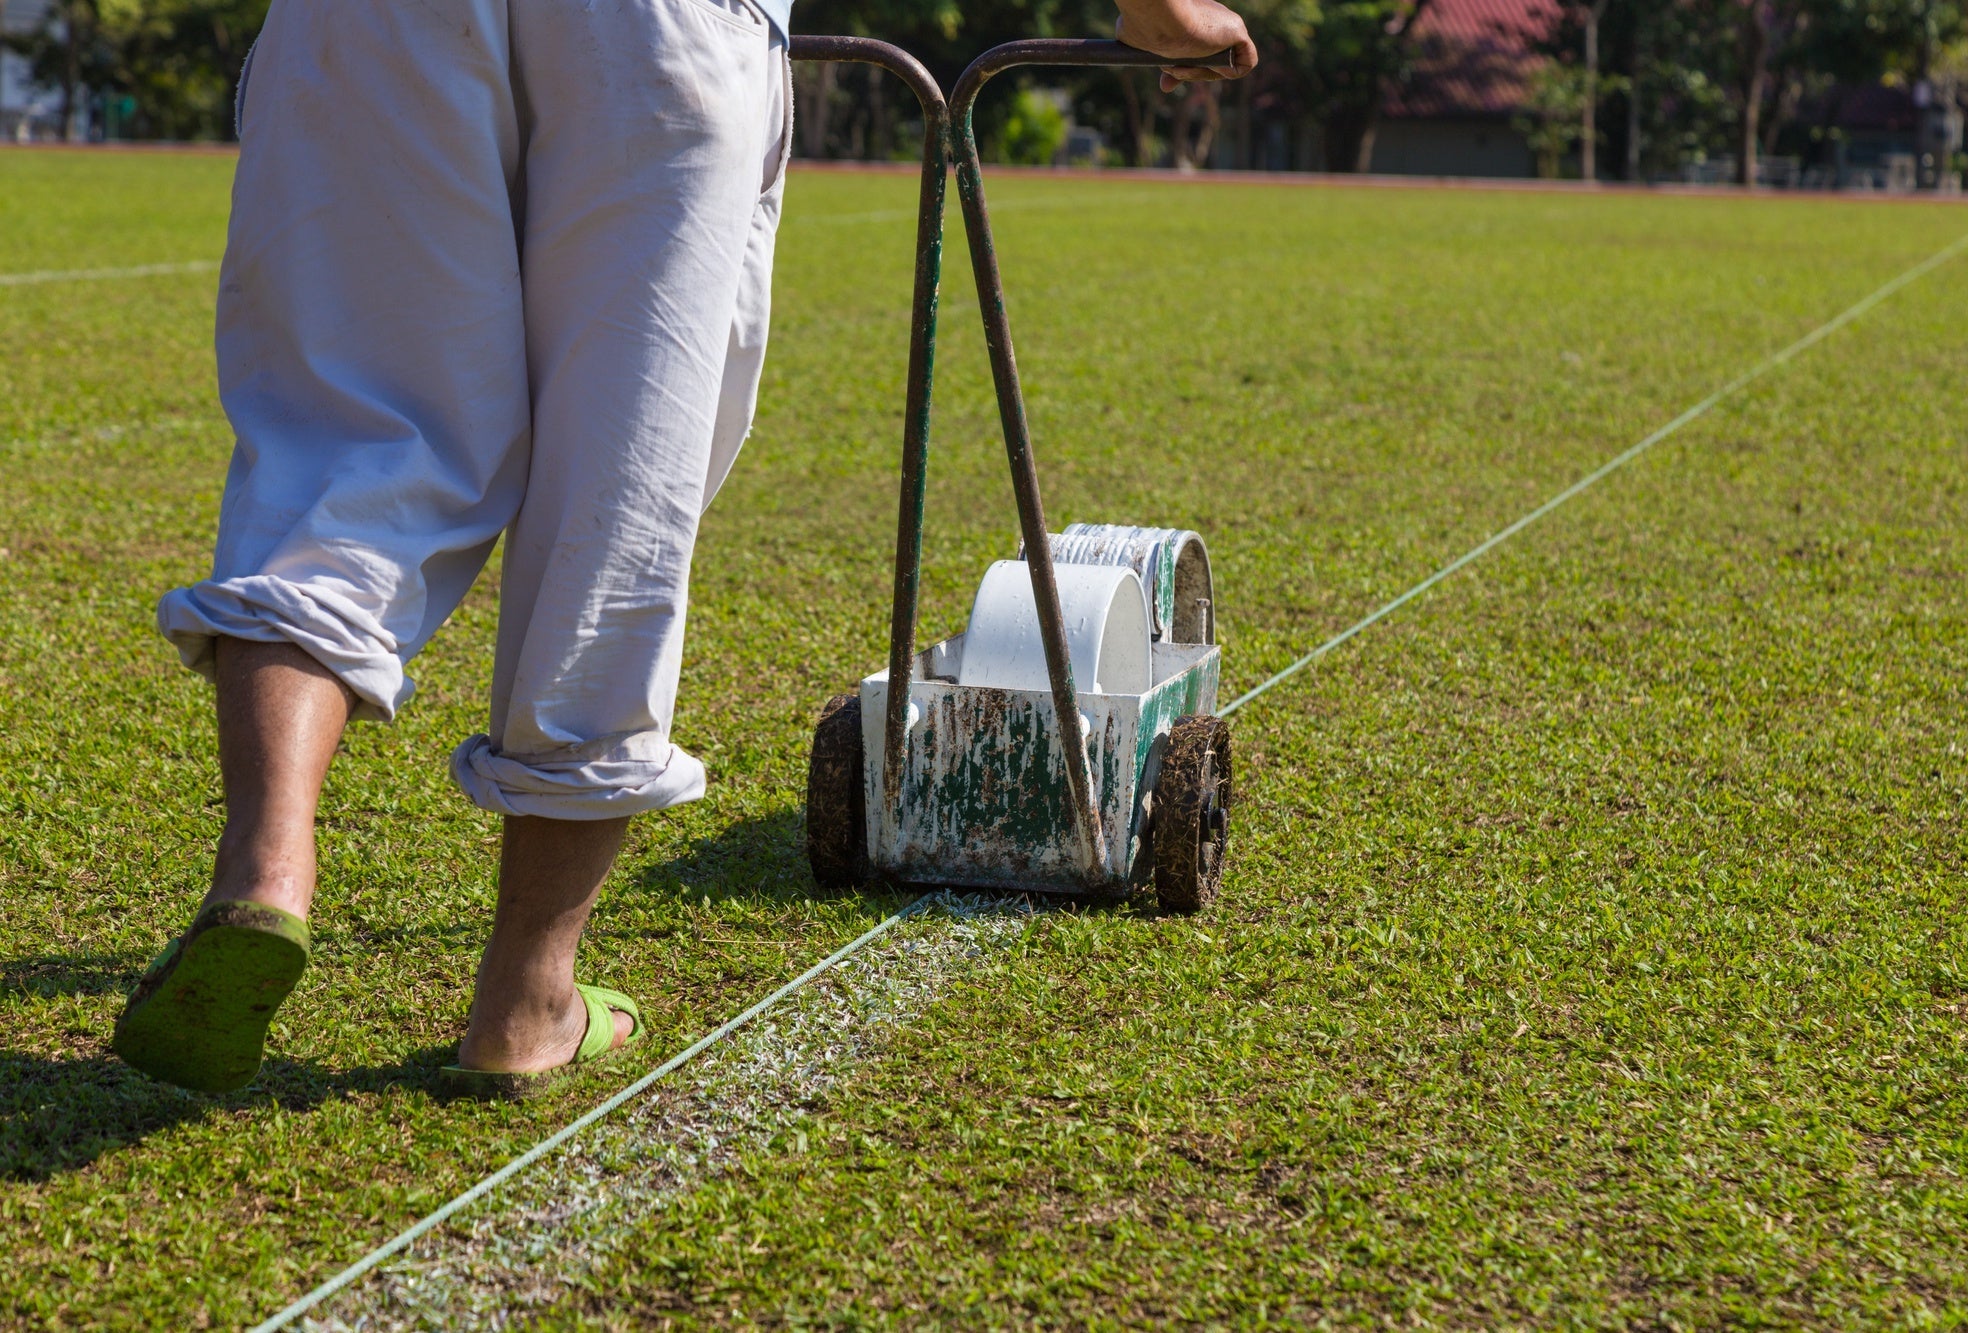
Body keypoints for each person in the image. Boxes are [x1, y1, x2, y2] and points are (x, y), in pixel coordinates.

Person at [113, 0, 1255, 1099]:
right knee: (615, 502)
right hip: (653, 31)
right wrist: (1160, 8)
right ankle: (526, 1002)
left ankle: (266, 873)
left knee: (351, 446)